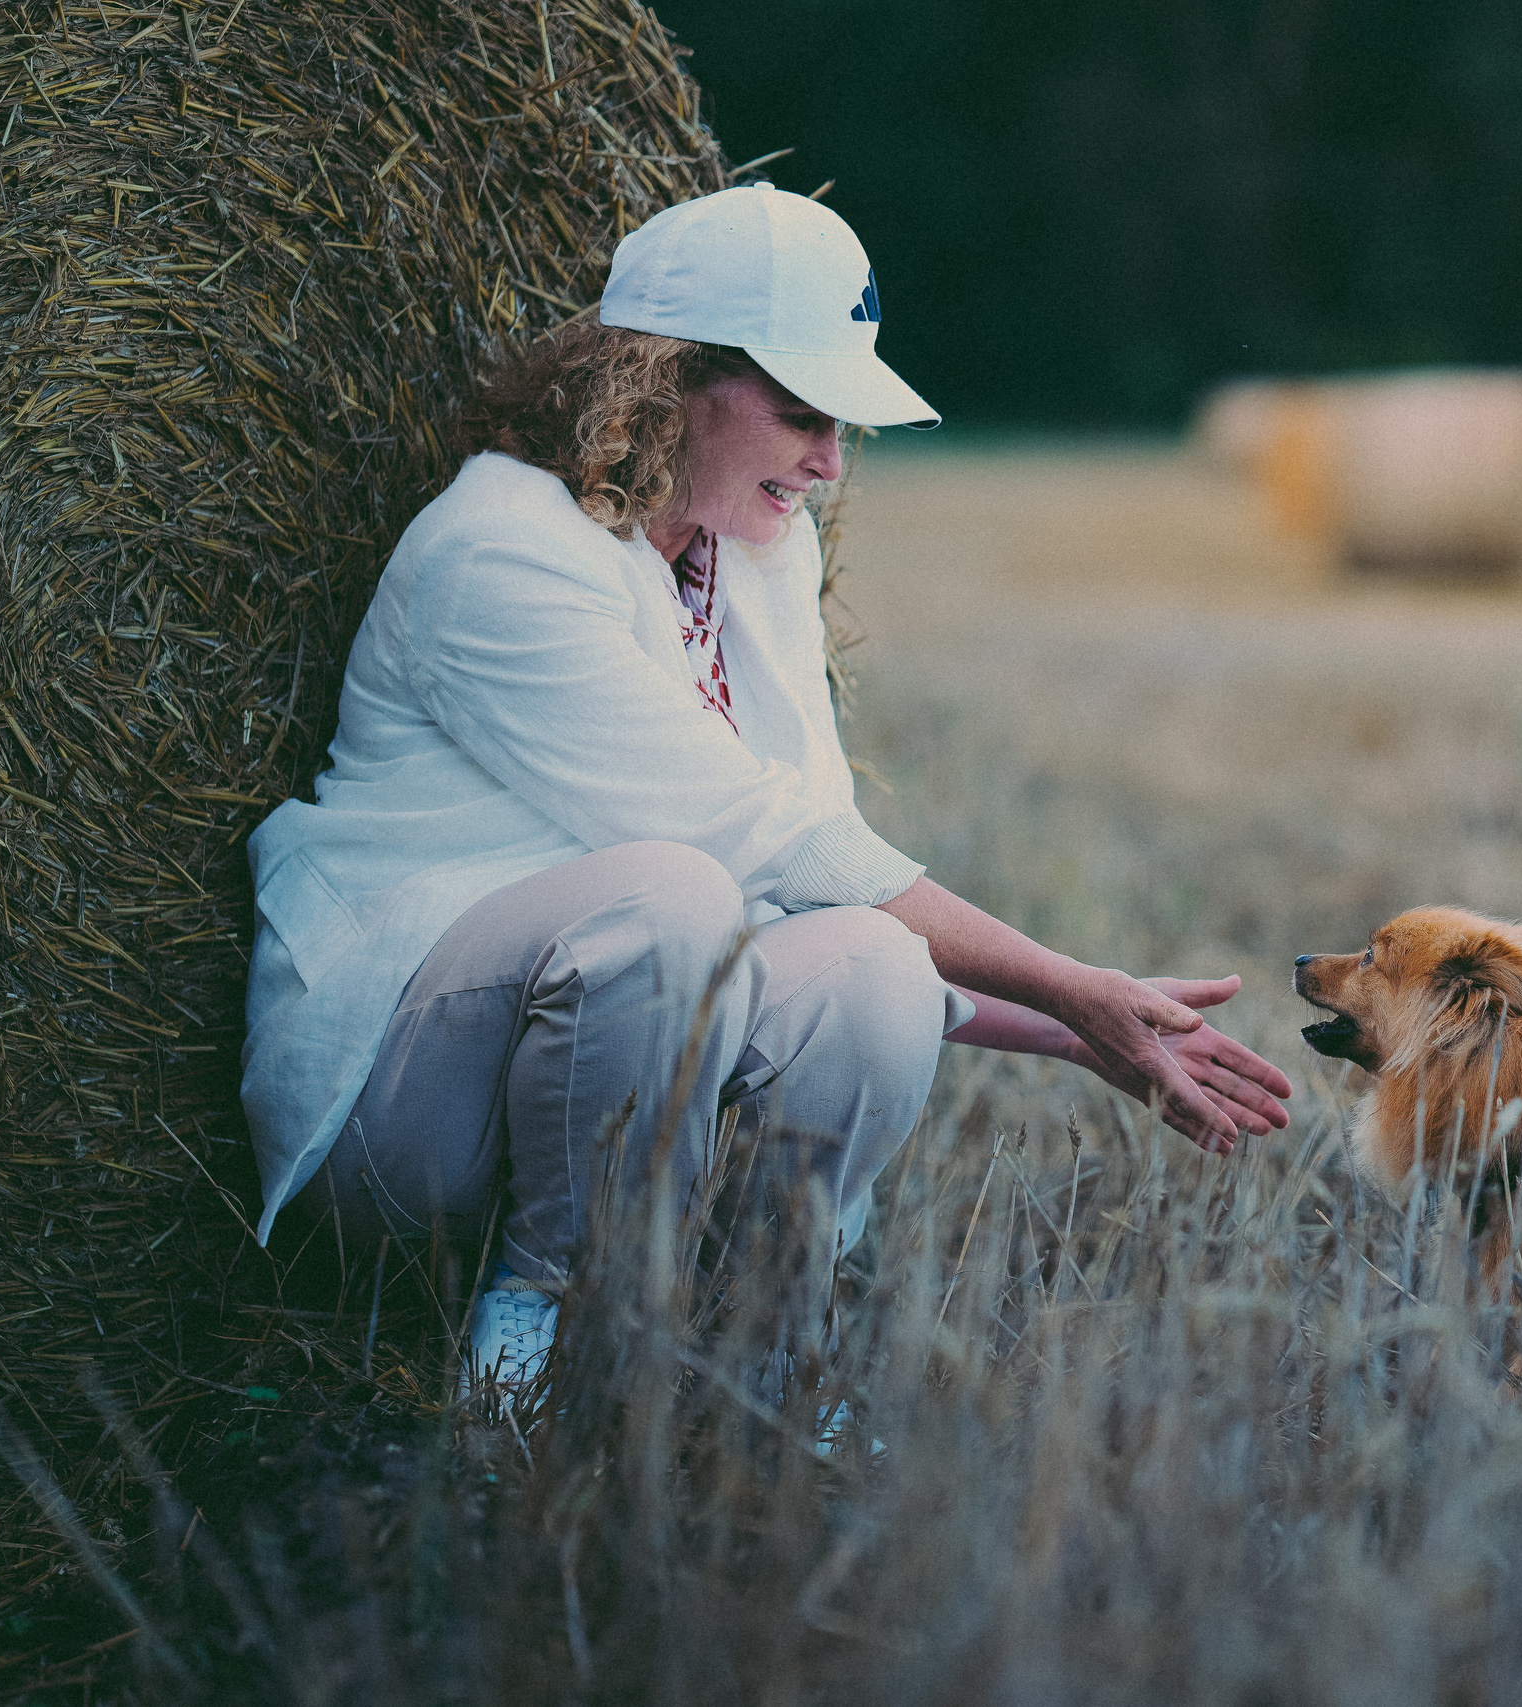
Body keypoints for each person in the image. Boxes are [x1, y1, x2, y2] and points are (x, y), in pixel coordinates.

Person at [240, 182, 1294, 1391]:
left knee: (873, 963)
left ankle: (768, 1359)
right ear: (661, 380)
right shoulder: (502, 550)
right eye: (802, 414)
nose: (832, 464)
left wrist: (1078, 1029)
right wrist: (1067, 980)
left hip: (627, 1069)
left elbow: (827, 881)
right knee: (672, 899)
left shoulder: (750, 555)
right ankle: (540, 1341)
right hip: (407, 1113)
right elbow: (753, 841)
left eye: (844, 425)